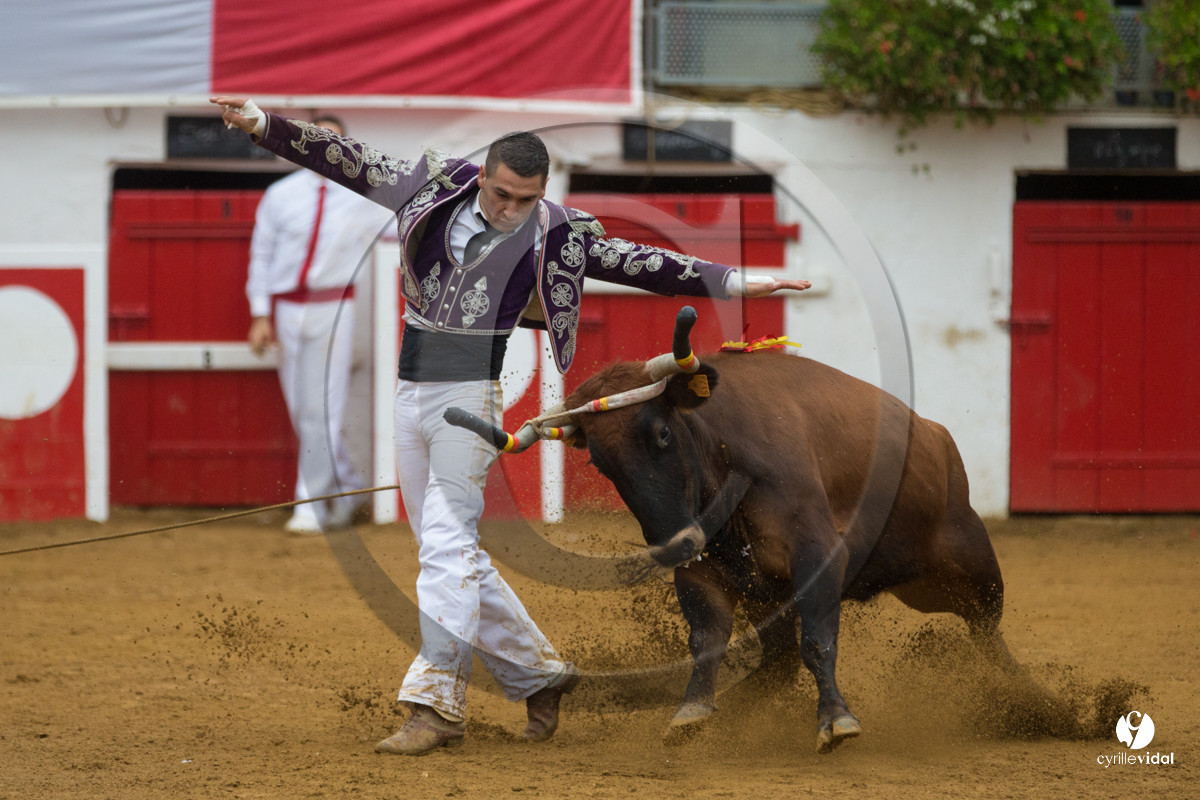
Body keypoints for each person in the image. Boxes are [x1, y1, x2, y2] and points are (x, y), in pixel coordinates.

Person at [212, 95, 812, 755]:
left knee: (446, 545)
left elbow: (636, 262)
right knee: (449, 550)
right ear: (482, 177)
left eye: (526, 199)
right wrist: (263, 124)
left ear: (541, 192)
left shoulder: (556, 232)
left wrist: (729, 280)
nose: (511, 209)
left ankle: (436, 703)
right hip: (410, 392)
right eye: (501, 194)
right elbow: (344, 158)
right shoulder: (431, 189)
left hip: (469, 396)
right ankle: (537, 673)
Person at [245, 115, 388, 534]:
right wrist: (259, 314)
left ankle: (312, 506)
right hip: (288, 310)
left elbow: (403, 228)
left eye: (336, 142)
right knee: (302, 409)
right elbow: (262, 255)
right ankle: (350, 486)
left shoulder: (364, 195)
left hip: (335, 307)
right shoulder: (280, 195)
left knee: (323, 407)